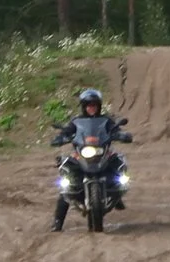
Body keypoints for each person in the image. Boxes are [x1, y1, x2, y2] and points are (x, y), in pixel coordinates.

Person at [49, 87, 129, 232]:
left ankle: (117, 194)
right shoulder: (77, 121)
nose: (91, 108)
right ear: (84, 107)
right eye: (89, 105)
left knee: (118, 162)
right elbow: (67, 131)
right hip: (82, 153)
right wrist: (60, 138)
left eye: (94, 105)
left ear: (99, 106)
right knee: (66, 182)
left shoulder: (106, 120)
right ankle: (58, 221)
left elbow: (116, 130)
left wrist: (121, 135)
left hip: (102, 151)